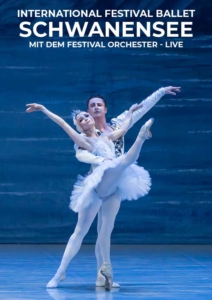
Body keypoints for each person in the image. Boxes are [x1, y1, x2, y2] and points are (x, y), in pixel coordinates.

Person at [26, 102, 154, 290]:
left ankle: (103, 275)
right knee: (79, 232)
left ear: (92, 119)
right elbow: (62, 123)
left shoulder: (108, 135)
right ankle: (60, 273)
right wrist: (44, 109)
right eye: (81, 119)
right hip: (95, 190)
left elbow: (125, 128)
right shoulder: (83, 141)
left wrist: (131, 112)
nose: (85, 119)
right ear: (79, 126)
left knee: (105, 233)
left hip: (112, 190)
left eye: (86, 116)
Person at [75, 86, 181, 287]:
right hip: (97, 184)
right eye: (92, 106)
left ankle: (103, 276)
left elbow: (142, 108)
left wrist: (160, 91)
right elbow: (82, 152)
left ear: (105, 109)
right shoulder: (85, 134)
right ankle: (71, 273)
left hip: (115, 182)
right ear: (87, 112)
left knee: (105, 230)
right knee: (87, 230)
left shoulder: (117, 124)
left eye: (99, 105)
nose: (96, 108)